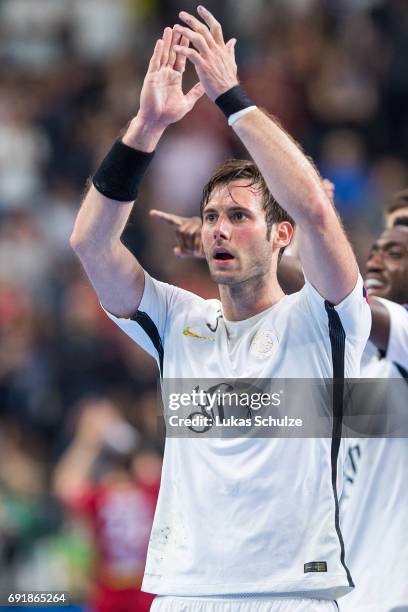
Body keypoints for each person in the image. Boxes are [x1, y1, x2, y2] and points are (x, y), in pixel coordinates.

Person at [71, 6, 370, 611]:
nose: (218, 231)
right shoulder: (179, 321)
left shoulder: (325, 318)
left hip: (293, 591)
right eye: (211, 217)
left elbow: (313, 207)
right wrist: (146, 126)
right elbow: (90, 243)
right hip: (184, 591)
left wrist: (231, 97)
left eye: (239, 216)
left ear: (279, 235)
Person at [158, 202, 408, 611]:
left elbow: (345, 298)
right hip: (341, 593)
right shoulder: (355, 369)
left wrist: (250, 252)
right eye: (375, 250)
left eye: (396, 254)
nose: (376, 260)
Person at [53, 397, 159, 612]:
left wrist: (103, 435)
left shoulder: (146, 489)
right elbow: (66, 488)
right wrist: (95, 437)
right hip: (115, 588)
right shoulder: (107, 495)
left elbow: (67, 486)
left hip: (146, 586)